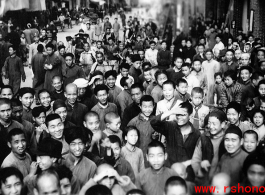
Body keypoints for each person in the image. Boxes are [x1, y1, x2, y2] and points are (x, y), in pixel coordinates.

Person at [151, 101, 200, 181]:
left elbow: (199, 156)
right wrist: (172, 112)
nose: (179, 117)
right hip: (169, 171)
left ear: (190, 116)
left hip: (187, 173)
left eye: (183, 115)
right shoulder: (171, 127)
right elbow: (153, 122)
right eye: (177, 114)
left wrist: (185, 164)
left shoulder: (196, 134)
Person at [191, 110, 227, 185]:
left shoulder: (228, 138)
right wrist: (199, 170)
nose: (211, 126)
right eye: (209, 123)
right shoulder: (203, 138)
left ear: (223, 124)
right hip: (205, 182)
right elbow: (195, 160)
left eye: (214, 124)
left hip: (223, 182)